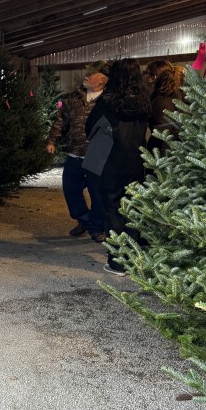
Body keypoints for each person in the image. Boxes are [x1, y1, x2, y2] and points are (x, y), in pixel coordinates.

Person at [84, 58, 151, 276]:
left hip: (109, 160)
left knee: (111, 208)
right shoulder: (144, 102)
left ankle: (118, 261)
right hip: (136, 159)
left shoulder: (108, 101)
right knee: (131, 207)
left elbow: (90, 126)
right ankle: (133, 258)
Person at [45, 60, 109, 243]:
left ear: (102, 79)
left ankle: (97, 228)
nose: (87, 76)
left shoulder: (108, 101)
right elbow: (61, 121)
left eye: (92, 74)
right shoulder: (73, 98)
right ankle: (84, 219)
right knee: (71, 190)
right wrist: (52, 140)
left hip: (96, 156)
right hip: (74, 154)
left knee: (97, 194)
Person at [143, 60, 184, 153]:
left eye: (146, 72)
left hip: (164, 155)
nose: (143, 75)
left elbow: (162, 134)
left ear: (152, 78)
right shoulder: (172, 95)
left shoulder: (161, 102)